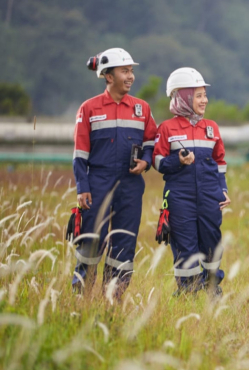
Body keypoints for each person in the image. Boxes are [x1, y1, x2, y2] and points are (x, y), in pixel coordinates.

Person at [72, 48, 157, 299]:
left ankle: (114, 298)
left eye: (131, 71)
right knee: (90, 241)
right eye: (125, 71)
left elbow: (152, 140)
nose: (130, 76)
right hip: (97, 183)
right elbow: (79, 154)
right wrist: (82, 187)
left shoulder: (142, 108)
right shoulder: (88, 108)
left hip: (130, 185)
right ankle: (81, 298)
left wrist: (146, 161)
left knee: (124, 243)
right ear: (109, 77)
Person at [153, 67, 230, 296]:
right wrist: (178, 160)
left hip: (209, 197)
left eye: (205, 95)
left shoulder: (211, 128)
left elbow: (220, 162)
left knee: (211, 244)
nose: (204, 100)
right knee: (185, 247)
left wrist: (223, 189)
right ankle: (188, 293)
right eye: (198, 95)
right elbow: (157, 161)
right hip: (180, 197)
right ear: (183, 97)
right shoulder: (167, 128)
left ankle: (212, 291)